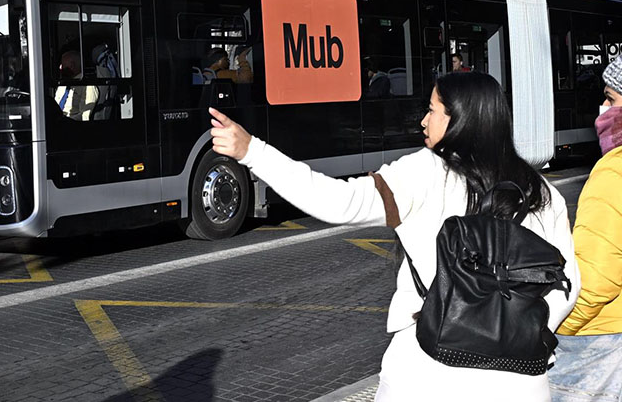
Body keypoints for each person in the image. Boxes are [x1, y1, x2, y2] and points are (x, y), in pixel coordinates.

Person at [208, 71, 579, 402]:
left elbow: (338, 201)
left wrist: (252, 151)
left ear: (459, 118)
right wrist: (518, 333)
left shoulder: (427, 172)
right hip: (521, 381)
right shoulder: (542, 192)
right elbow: (569, 285)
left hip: (429, 372)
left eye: (432, 110)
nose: (423, 120)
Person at [550, 55, 622, 402]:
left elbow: (595, 282)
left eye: (610, 99)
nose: (603, 110)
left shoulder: (614, 172)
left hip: (600, 342)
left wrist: (553, 326)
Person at [54, 50, 98, 121]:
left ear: (72, 66)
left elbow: (84, 115)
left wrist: (66, 121)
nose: (60, 67)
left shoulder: (87, 86)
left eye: (63, 64)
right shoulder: (62, 85)